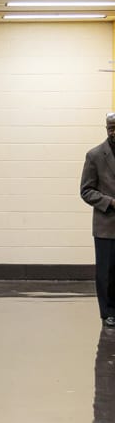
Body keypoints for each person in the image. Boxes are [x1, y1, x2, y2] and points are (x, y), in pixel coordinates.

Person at [80, 112, 115, 328]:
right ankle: (108, 313)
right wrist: (110, 202)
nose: (114, 132)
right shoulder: (94, 156)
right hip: (106, 226)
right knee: (106, 273)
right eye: (111, 128)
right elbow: (86, 191)